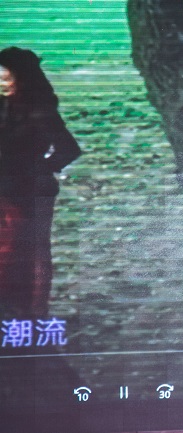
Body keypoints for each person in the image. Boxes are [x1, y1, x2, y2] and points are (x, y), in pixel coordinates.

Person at [0, 47, 82, 318]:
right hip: (7, 190)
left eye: (6, 75)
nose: (2, 81)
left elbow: (68, 149)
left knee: (34, 250)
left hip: (31, 190)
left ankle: (34, 310)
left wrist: (36, 169)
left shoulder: (39, 110)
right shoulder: (4, 107)